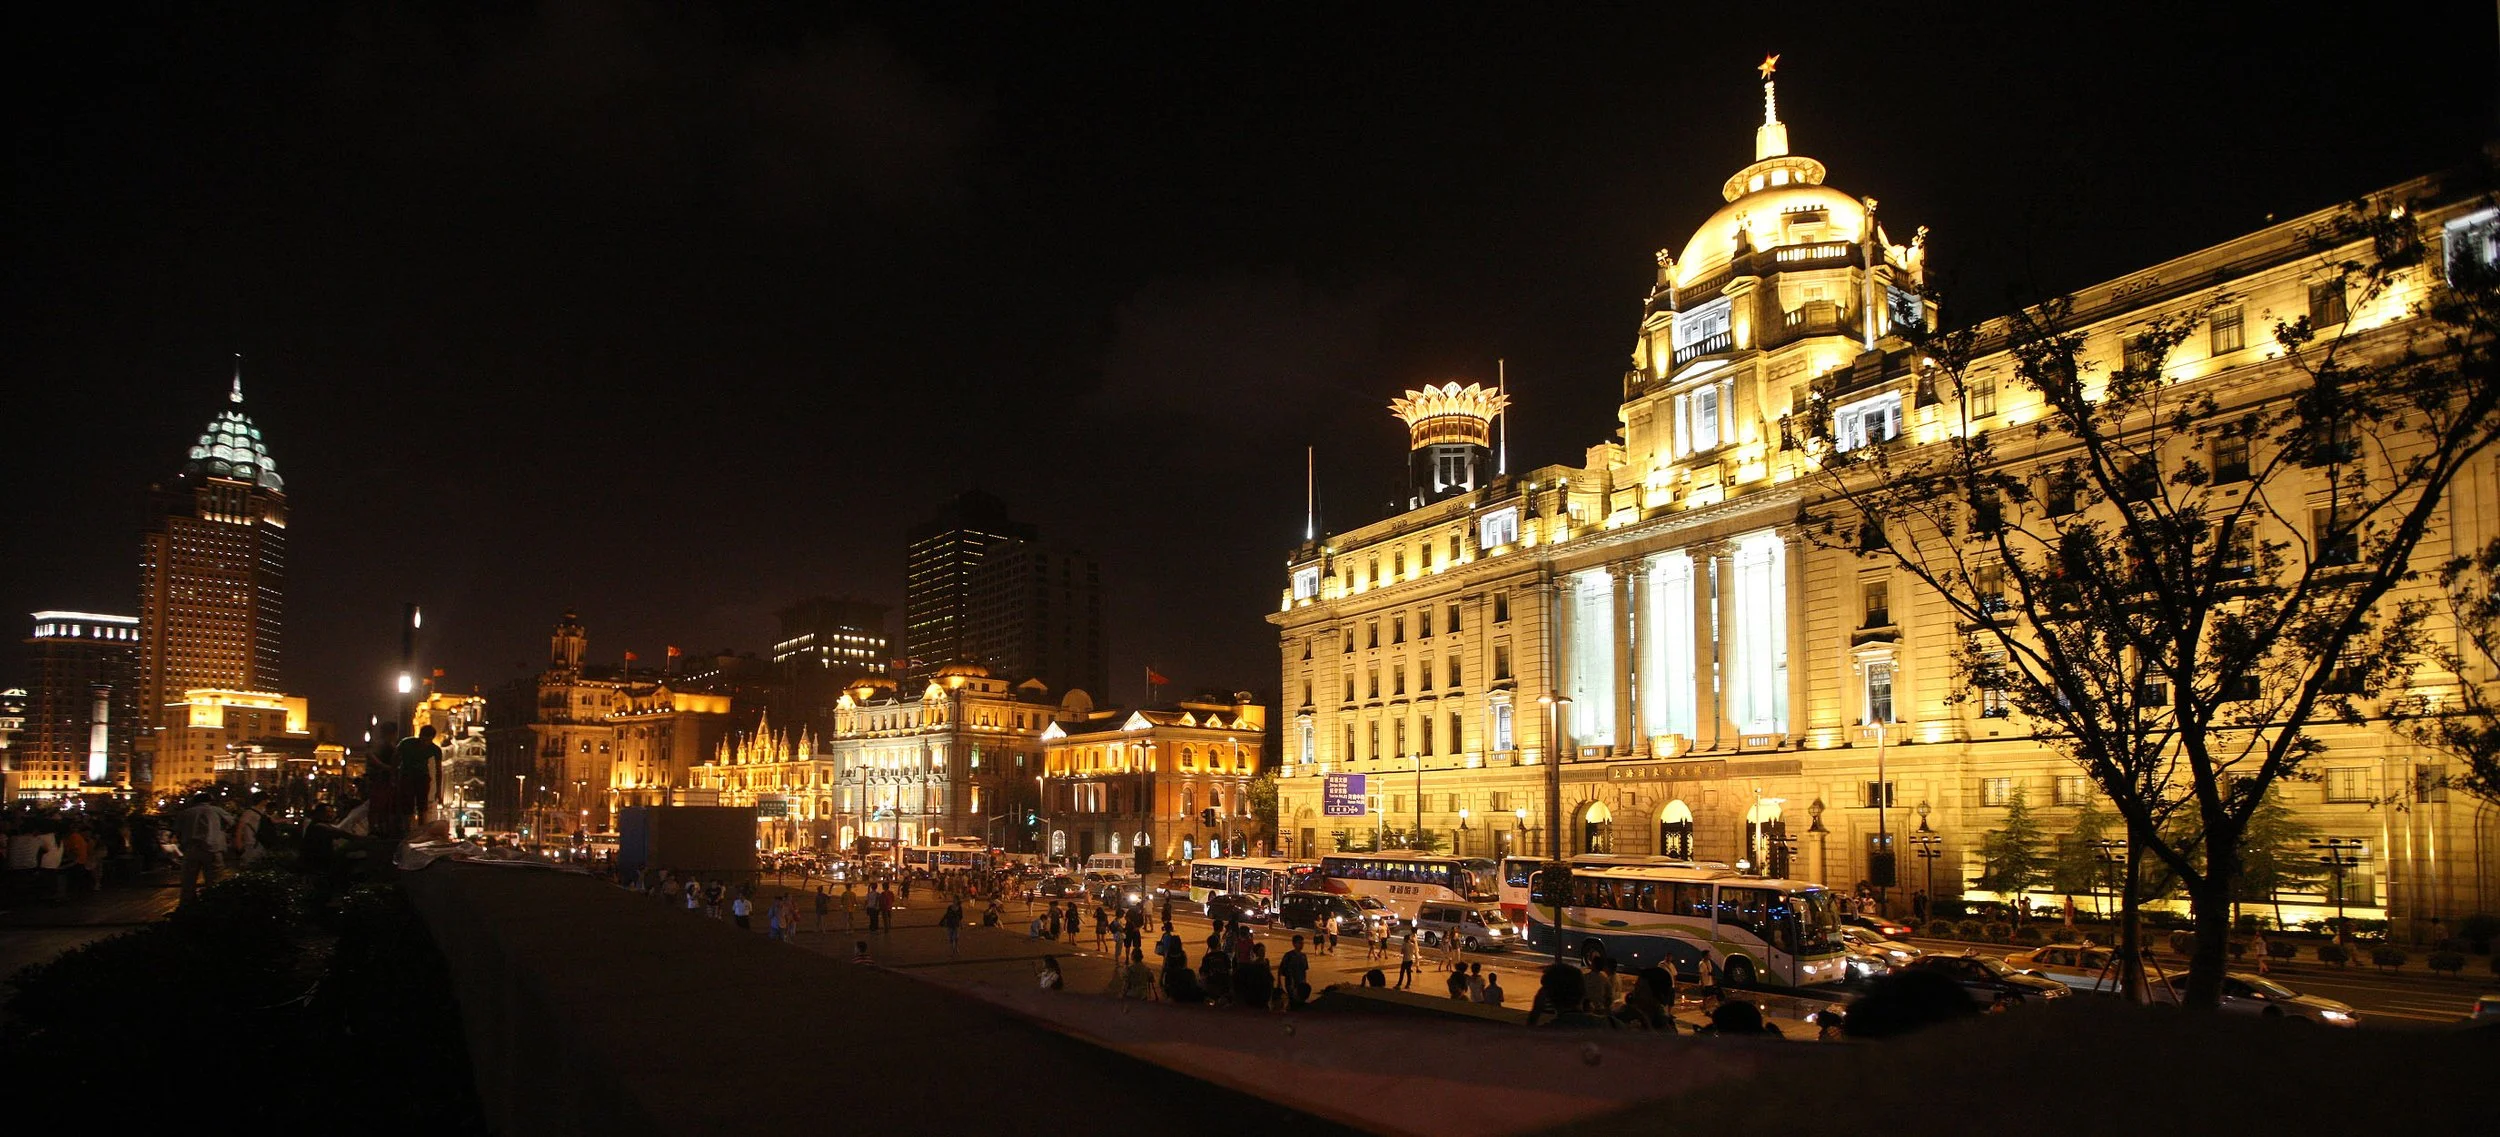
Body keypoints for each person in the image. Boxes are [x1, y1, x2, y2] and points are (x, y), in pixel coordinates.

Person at [173, 795, 232, 904]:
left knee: (188, 881)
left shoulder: (186, 813)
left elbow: (177, 830)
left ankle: (187, 906)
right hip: (213, 848)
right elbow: (231, 823)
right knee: (215, 880)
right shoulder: (217, 811)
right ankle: (213, 904)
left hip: (191, 848)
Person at [1527, 963, 1612, 1028]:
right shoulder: (1611, 1025)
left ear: (1549, 998)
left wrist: (1535, 1012)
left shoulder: (1546, 1033)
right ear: (1583, 993)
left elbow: (1528, 1039)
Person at [395, 725, 443, 834]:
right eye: (423, 738)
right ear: (419, 735)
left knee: (423, 806)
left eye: (428, 740)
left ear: (432, 739)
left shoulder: (435, 749)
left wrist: (438, 791)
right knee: (407, 805)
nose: (424, 742)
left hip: (422, 778)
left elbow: (438, 771)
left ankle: (421, 831)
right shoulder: (406, 743)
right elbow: (395, 758)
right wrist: (394, 775)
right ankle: (407, 830)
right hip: (407, 776)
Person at [1622, 965, 1676, 1031]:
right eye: (1635, 988)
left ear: (1657, 997)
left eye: (1640, 989)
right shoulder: (1630, 1016)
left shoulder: (1665, 1030)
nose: (1634, 994)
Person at [232, 792, 273, 863]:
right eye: (266, 799)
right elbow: (239, 828)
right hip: (251, 845)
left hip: (261, 844)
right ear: (262, 800)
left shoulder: (262, 812)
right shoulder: (249, 812)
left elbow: (273, 820)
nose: (267, 801)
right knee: (250, 865)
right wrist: (239, 844)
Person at [1280, 935, 1312, 1009]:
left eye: (1302, 943)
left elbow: (1304, 970)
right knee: (1293, 1000)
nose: (1301, 945)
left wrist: (1304, 981)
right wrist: (1280, 982)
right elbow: (1282, 969)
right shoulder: (1289, 955)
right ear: (1294, 944)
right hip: (1291, 982)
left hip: (1300, 982)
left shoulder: (1303, 956)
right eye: (1299, 943)